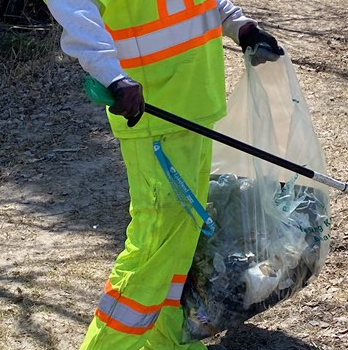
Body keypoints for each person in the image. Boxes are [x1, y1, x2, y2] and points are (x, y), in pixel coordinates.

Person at [44, 1, 283, 349]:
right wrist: (111, 74)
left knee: (183, 236)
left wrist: (239, 25)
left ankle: (171, 340)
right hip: (153, 115)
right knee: (155, 244)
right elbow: (74, 9)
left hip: (197, 103)